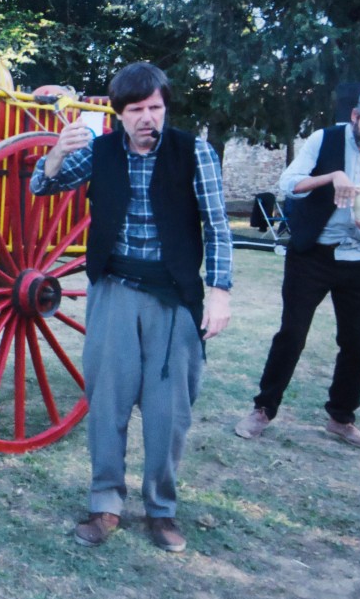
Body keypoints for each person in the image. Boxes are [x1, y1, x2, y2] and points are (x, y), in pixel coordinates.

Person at [31, 62, 232, 553]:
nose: (148, 118)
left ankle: (161, 510)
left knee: (169, 412)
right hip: (114, 290)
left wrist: (220, 290)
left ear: (166, 108)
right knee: (107, 402)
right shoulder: (100, 152)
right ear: (119, 114)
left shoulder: (194, 152)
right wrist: (56, 151)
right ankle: (105, 503)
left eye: (156, 108)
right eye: (137, 110)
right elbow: (42, 184)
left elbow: (218, 225)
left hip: (174, 296)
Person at [234, 88, 360, 452]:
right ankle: (263, 410)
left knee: (358, 343)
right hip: (313, 255)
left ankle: (341, 419)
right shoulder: (324, 138)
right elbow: (288, 185)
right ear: (355, 114)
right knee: (292, 335)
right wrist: (332, 176)